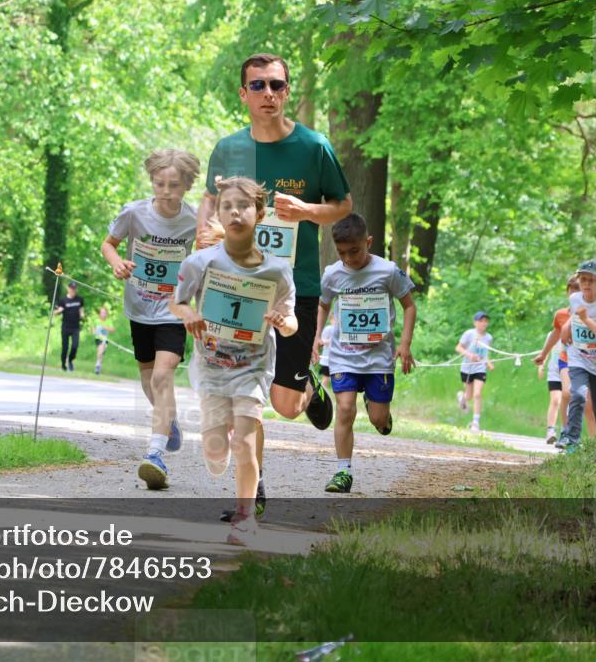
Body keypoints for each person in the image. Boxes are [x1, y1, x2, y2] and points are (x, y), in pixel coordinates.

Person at [197, 53, 352, 514]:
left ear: (288, 92)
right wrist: (202, 237)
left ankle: (309, 389)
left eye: (277, 85)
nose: (268, 93)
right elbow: (209, 201)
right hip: (237, 287)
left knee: (285, 404)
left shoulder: (314, 146)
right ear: (243, 94)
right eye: (258, 85)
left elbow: (342, 205)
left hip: (294, 286)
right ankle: (254, 493)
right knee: (244, 389)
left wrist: (306, 211)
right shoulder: (229, 149)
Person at [171, 176, 296, 542]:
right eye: (227, 206)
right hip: (212, 368)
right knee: (215, 451)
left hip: (252, 369)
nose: (235, 213)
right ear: (220, 214)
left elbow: (291, 322)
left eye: (243, 206)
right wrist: (188, 315)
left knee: (244, 443)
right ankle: (219, 444)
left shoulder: (277, 270)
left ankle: (246, 518)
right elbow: (177, 302)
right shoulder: (201, 262)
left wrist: (283, 322)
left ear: (260, 214)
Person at [101, 148, 199, 489]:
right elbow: (109, 244)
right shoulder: (134, 213)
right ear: (152, 181)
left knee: (162, 375)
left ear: (187, 185)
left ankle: (155, 454)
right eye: (160, 184)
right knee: (148, 381)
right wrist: (117, 263)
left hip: (174, 309)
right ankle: (168, 421)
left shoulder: (194, 220)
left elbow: (207, 258)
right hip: (140, 308)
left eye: (174, 185)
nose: (166, 191)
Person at [314, 213, 416, 494]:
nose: (349, 258)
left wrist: (405, 344)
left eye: (355, 251)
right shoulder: (333, 274)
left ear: (368, 242)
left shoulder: (388, 271)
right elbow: (323, 305)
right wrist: (316, 336)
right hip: (343, 356)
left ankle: (376, 406)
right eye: (342, 252)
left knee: (379, 421)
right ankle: (343, 472)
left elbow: (409, 306)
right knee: (345, 408)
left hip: (378, 358)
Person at [557, 260, 596, 451]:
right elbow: (574, 316)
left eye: (591, 280)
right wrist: (567, 328)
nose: (586, 284)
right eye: (583, 279)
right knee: (577, 394)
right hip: (579, 357)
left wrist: (587, 320)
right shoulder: (575, 298)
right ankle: (572, 440)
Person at [534, 276, 582, 439]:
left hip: (587, 361)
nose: (574, 294)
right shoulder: (561, 315)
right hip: (566, 359)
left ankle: (583, 435)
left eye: (578, 290)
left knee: (584, 400)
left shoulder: (591, 313)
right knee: (566, 394)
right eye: (571, 291)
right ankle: (565, 431)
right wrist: (543, 354)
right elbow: (555, 334)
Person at [455, 311, 494, 432]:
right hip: (467, 368)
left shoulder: (488, 337)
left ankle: (475, 422)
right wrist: (469, 355)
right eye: (481, 321)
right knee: (469, 396)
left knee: (477, 394)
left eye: (485, 321)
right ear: (475, 323)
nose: (483, 323)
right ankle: (462, 397)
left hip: (480, 368)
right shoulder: (469, 334)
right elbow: (458, 347)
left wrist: (488, 363)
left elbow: (484, 354)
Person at [537, 331, 567, 444]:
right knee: (555, 400)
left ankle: (565, 432)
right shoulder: (552, 334)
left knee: (567, 402)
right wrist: (541, 365)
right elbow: (546, 350)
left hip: (568, 372)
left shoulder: (572, 332)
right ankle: (550, 431)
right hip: (554, 372)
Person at [54, 281, 84, 371]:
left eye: (74, 289)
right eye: (71, 288)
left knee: (75, 346)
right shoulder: (63, 300)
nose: (73, 290)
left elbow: (81, 310)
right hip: (66, 327)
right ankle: (63, 364)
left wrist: (82, 315)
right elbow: (55, 312)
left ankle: (70, 360)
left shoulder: (79, 299)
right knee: (65, 347)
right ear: (68, 289)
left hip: (75, 327)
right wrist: (59, 311)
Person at [92, 306, 115, 375]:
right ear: (99, 314)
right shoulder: (96, 321)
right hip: (98, 339)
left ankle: (98, 365)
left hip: (105, 339)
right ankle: (98, 364)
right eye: (102, 313)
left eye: (104, 313)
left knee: (101, 352)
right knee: (100, 349)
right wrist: (94, 331)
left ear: (106, 314)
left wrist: (105, 327)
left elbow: (112, 329)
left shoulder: (108, 321)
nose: (103, 314)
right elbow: (93, 329)